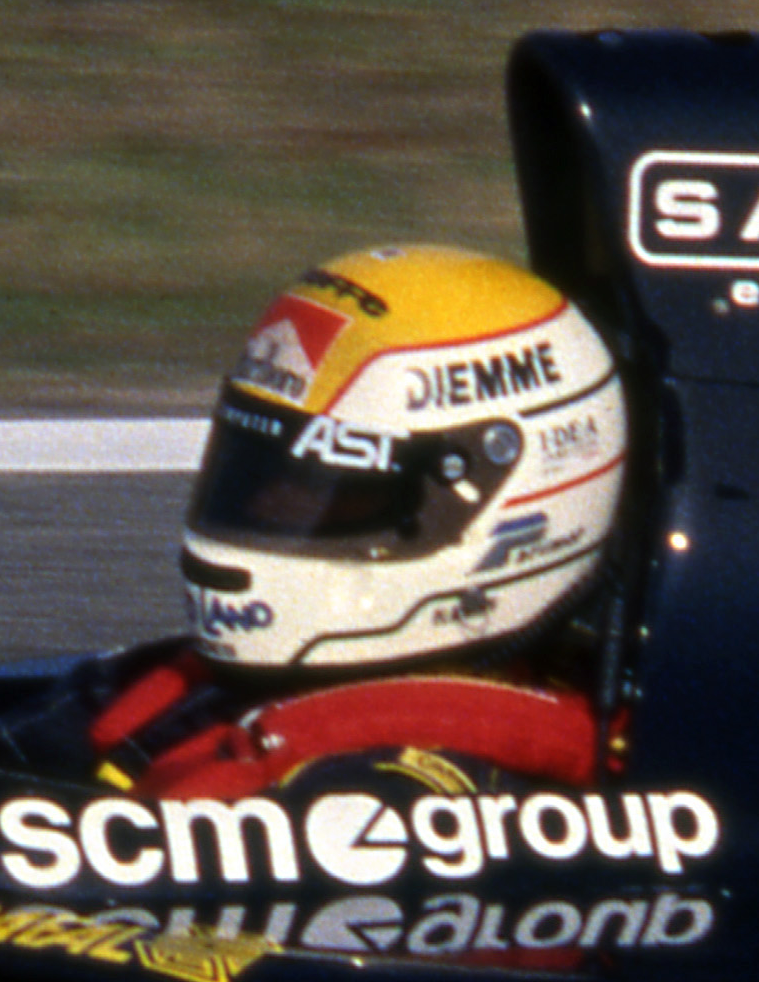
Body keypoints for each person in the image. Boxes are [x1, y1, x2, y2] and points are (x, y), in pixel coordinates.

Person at [32, 246, 634, 798]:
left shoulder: (401, 797)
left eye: (326, 495)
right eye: (255, 479)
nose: (270, 510)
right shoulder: (203, 690)